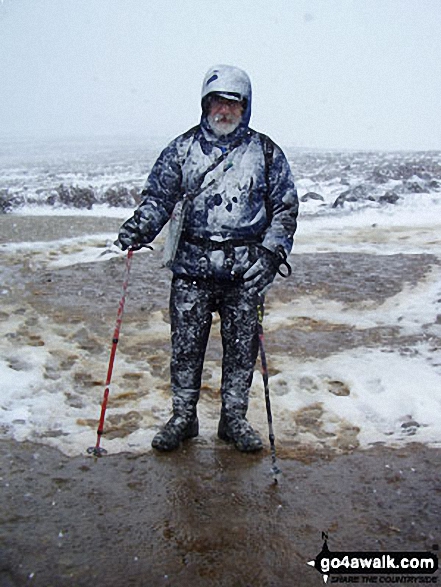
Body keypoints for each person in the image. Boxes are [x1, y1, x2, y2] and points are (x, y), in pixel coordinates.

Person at [116, 64, 298, 452]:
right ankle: (183, 418)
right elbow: (158, 199)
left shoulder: (265, 152)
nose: (225, 111)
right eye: (218, 101)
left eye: (234, 104)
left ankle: (233, 420)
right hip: (191, 268)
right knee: (184, 348)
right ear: (205, 104)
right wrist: (138, 228)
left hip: (244, 273)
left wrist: (270, 255)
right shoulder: (181, 149)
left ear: (245, 107)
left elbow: (284, 208)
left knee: (240, 349)